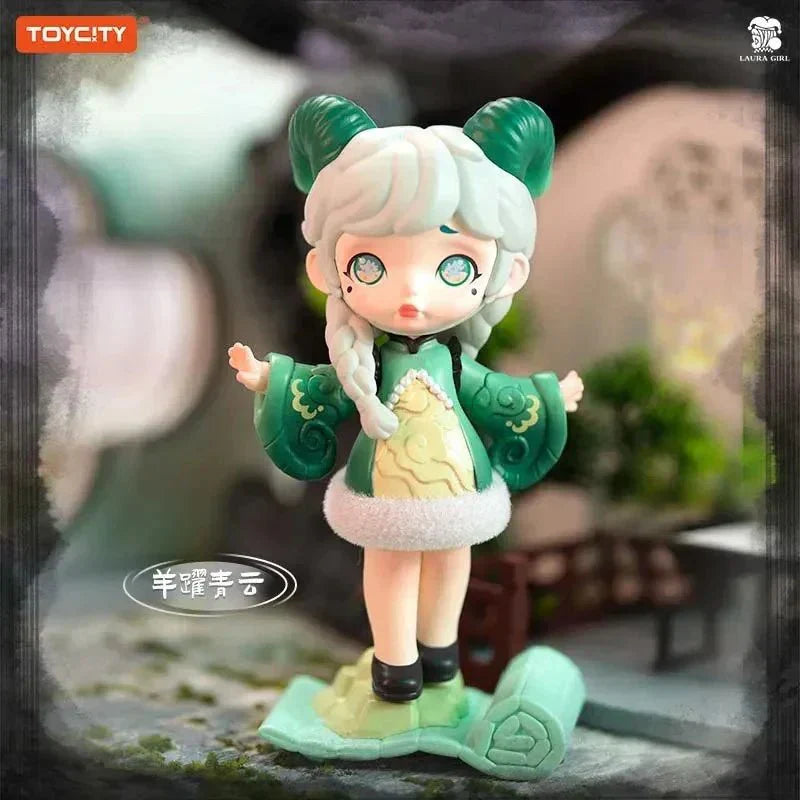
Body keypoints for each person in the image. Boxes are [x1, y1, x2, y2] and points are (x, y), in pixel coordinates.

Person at [229, 94, 583, 703]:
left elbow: (492, 393)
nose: (412, 294)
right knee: (389, 565)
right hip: (385, 488)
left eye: (453, 267)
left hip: (458, 485)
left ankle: (440, 649)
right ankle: (395, 662)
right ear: (325, 269)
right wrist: (272, 379)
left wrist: (547, 396)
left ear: (506, 275)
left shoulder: (454, 362)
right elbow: (327, 388)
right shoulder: (365, 363)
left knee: (451, 561)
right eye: (370, 265)